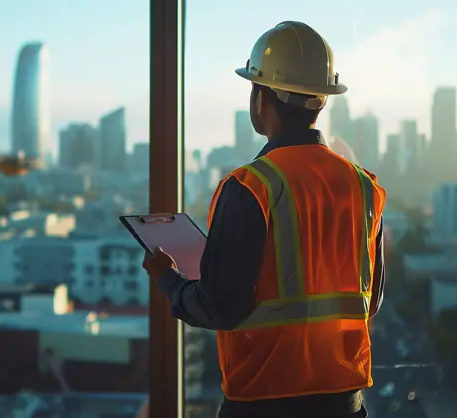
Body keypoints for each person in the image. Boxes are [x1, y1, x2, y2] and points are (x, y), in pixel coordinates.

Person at [142, 21, 387, 418]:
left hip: (262, 402)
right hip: (345, 403)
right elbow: (369, 300)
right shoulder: (363, 187)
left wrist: (168, 280)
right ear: (321, 101)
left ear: (261, 97)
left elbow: (221, 306)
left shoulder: (250, 186)